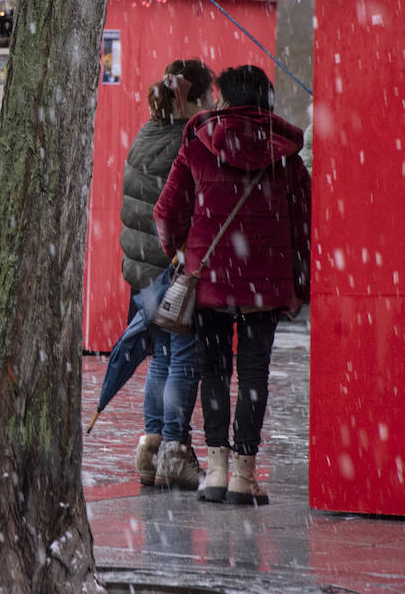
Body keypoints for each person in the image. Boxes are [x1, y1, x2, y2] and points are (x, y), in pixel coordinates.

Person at [154, 65, 311, 506]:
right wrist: (302, 279)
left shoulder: (198, 144)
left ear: (224, 98)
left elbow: (167, 211)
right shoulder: (287, 155)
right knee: (255, 372)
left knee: (214, 371)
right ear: (266, 101)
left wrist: (179, 248)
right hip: (266, 277)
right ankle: (245, 475)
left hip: (210, 279)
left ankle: (218, 471)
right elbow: (304, 224)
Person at [120, 59, 214, 490]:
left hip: (142, 273)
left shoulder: (145, 133)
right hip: (172, 270)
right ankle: (175, 450)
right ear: (194, 94)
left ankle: (152, 447)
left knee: (160, 357)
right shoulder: (188, 139)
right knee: (183, 357)